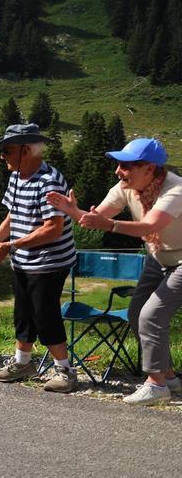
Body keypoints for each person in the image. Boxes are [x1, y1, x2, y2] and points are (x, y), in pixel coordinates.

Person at [48, 137, 182, 404]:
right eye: (119, 164)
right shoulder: (126, 187)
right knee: (136, 313)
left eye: (126, 165)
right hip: (158, 257)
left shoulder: (175, 190)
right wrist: (73, 211)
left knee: (151, 316)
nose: (118, 171)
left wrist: (107, 224)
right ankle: (169, 378)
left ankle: (156, 386)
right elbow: (96, 219)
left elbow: (148, 227)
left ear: (149, 169)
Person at [0, 124, 78, 393]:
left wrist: (10, 244)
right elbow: (13, 215)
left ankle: (65, 371)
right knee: (23, 312)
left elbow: (52, 229)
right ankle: (23, 363)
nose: (2, 156)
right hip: (24, 259)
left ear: (26, 150)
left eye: (7, 151)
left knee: (45, 314)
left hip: (49, 261)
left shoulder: (49, 180)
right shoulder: (17, 177)